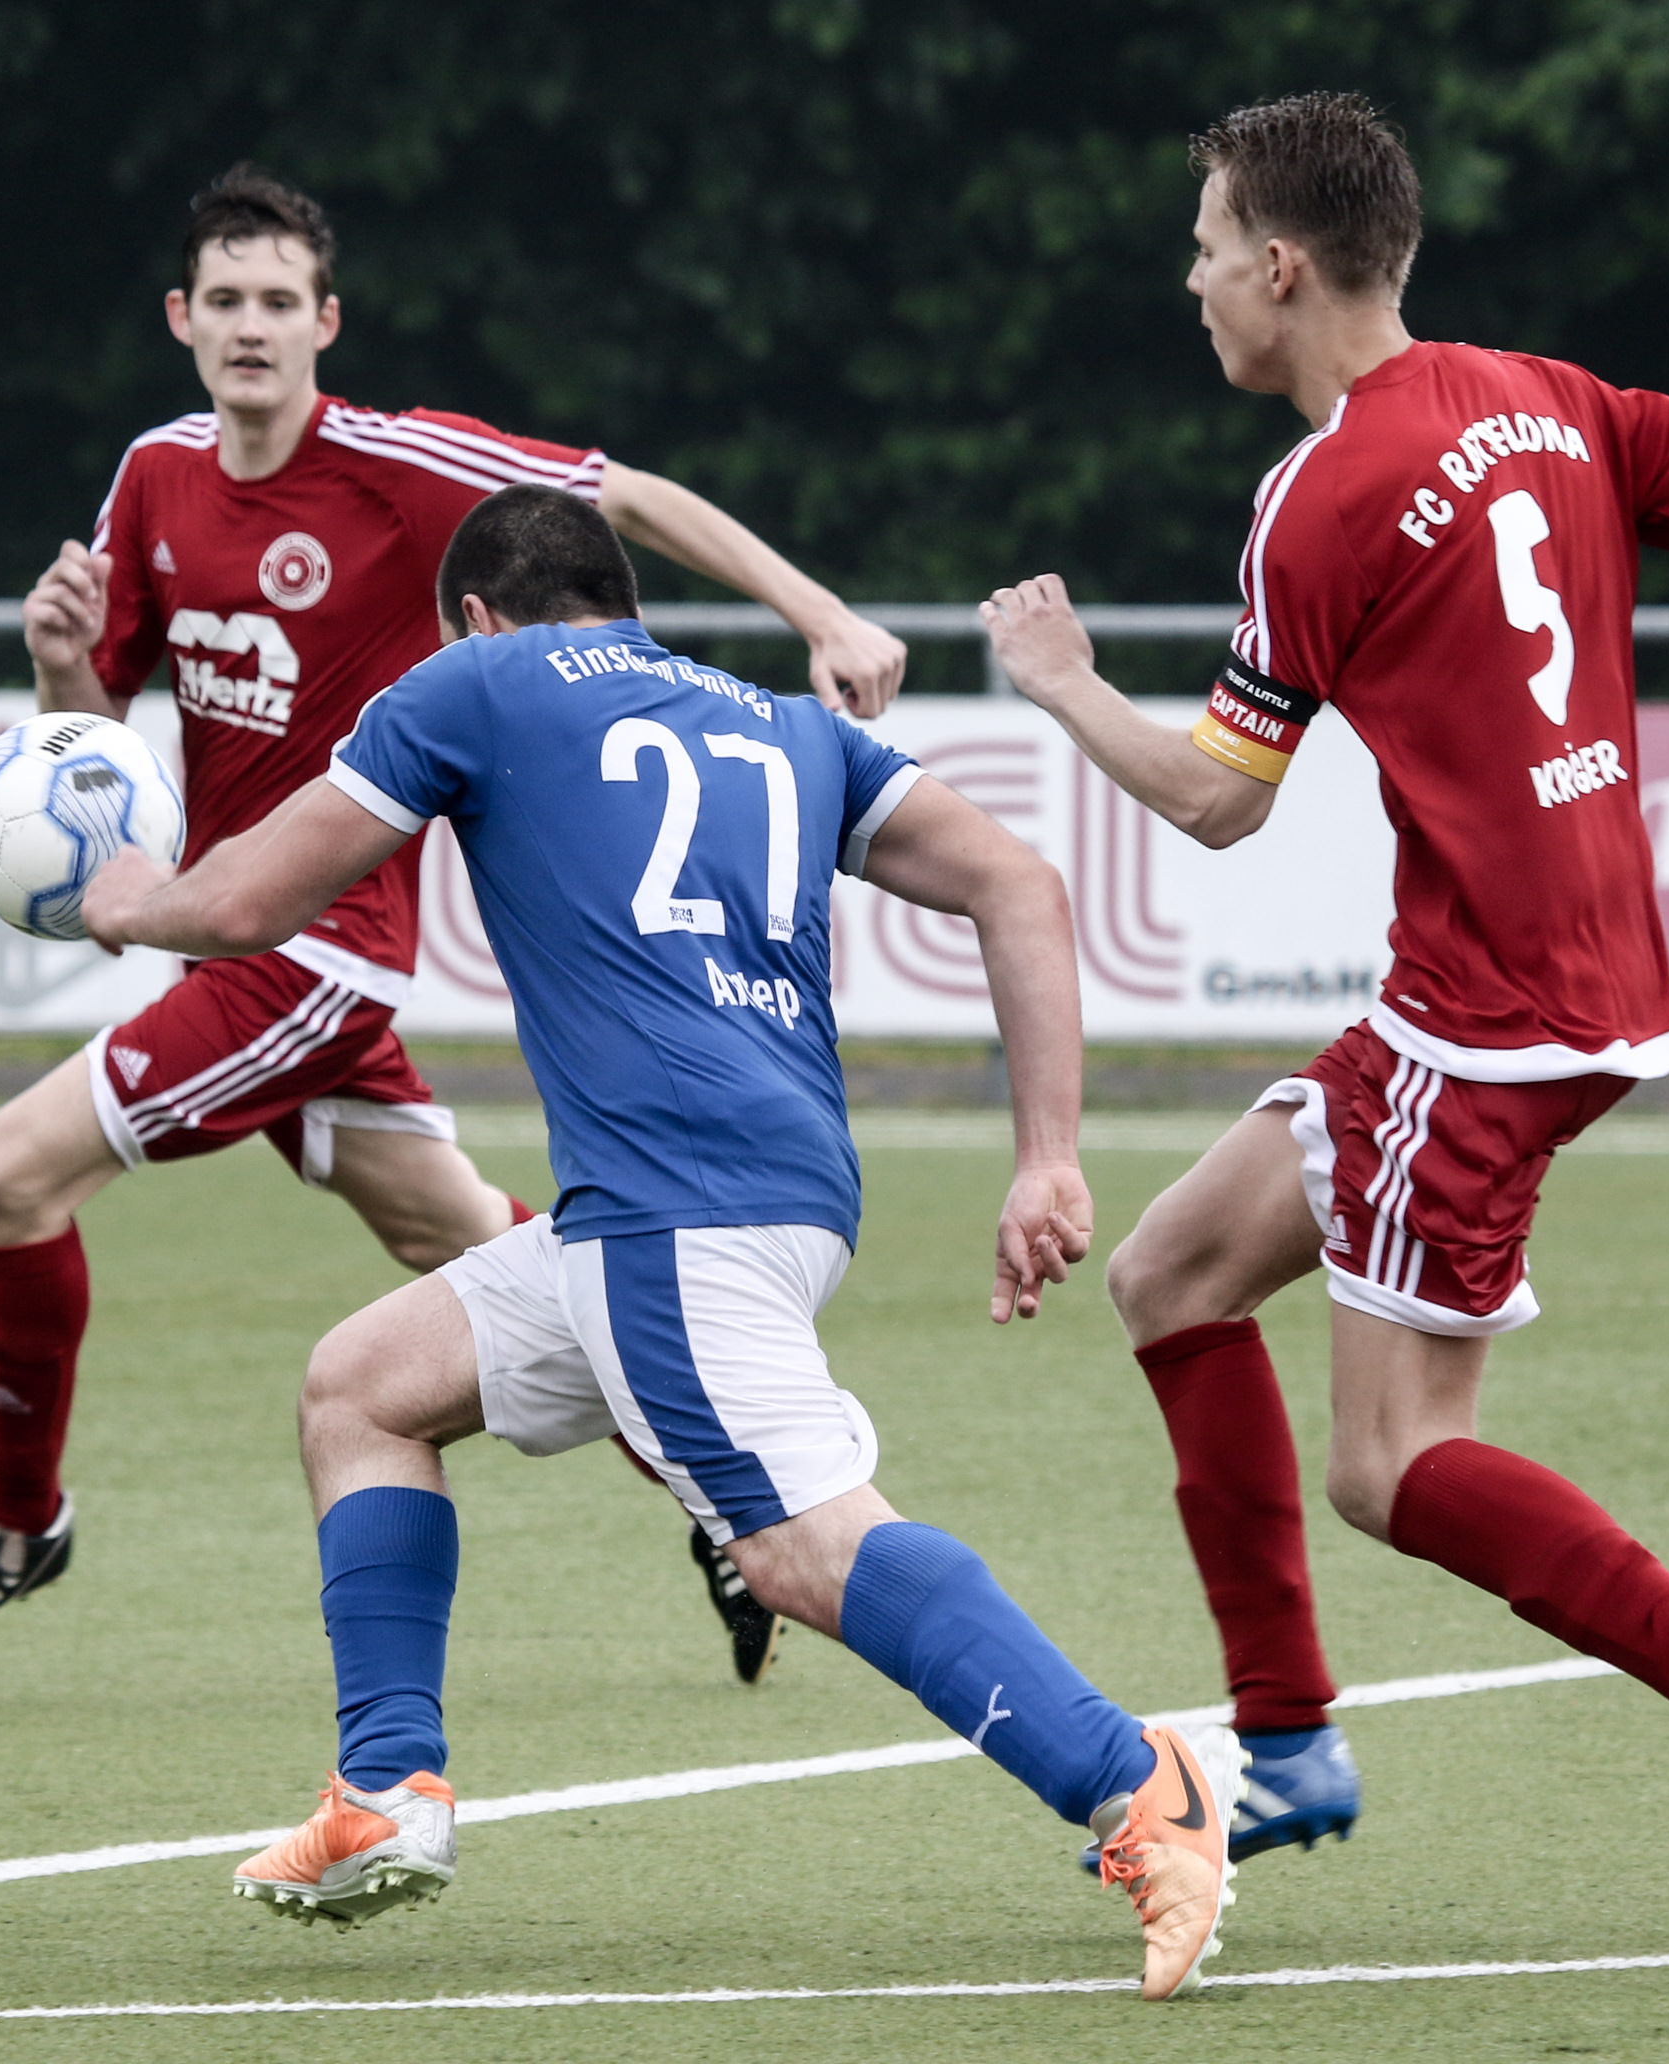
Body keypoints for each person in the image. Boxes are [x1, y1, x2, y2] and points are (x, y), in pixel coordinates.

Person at [80, 484, 1246, 2001]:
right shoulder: (786, 726)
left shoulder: (475, 683)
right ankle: (385, 1789)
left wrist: (131, 900)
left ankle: (1134, 1781)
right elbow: (1017, 883)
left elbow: (245, 902)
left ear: (477, 618)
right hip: (769, 1190)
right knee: (361, 1388)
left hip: (671, 1211)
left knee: (799, 1550)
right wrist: (1047, 1156)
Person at [981, 93, 1669, 1942]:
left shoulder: (1322, 492)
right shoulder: (1552, 393)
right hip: (1555, 984)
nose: (1193, 282)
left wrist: (1059, 682)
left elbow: (1219, 801)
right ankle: (1290, 1739)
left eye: (1207, 248)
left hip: (1486, 1022)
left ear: (1281, 266)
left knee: (1393, 1467)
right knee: (1170, 1275)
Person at [0, 167, 906, 1683]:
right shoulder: (153, 477)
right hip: (244, 941)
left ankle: (16, 1527)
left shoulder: (398, 464)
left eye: (280, 301)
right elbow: (98, 749)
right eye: (226, 300)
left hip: (320, 952)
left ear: (325, 323)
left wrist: (820, 612)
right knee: (497, 1254)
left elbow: (625, 499)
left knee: (11, 1172)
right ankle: (735, 1508)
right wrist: (60, 663)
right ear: (181, 318)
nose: (252, 326)